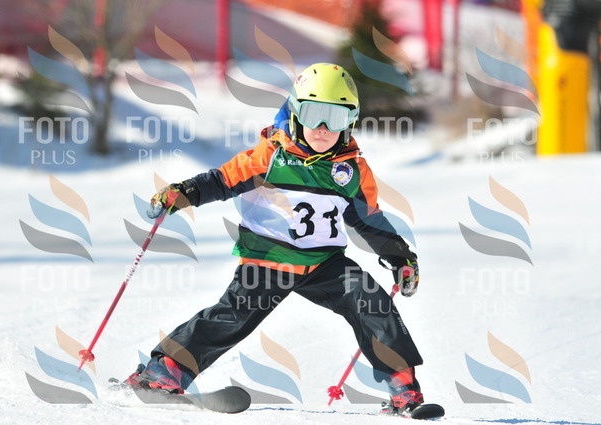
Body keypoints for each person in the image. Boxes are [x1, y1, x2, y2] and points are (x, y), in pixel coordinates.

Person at [125, 63, 425, 415]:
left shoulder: (352, 169)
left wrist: (400, 256)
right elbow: (221, 180)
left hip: (323, 262)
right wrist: (184, 193)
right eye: (314, 114)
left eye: (336, 118)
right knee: (234, 316)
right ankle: (164, 371)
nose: (323, 128)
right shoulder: (270, 156)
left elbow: (369, 219)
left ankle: (403, 386)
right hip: (268, 258)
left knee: (371, 301)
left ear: (351, 122)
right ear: (296, 113)